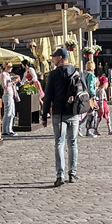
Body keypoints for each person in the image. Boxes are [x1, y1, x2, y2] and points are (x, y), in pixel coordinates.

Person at [42, 48, 84, 187]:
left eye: (54, 57)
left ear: (60, 58)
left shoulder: (53, 75)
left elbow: (47, 97)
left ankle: (60, 174)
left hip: (59, 113)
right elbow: (86, 92)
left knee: (59, 143)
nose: (53, 59)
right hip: (73, 112)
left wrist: (44, 115)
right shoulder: (77, 72)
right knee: (73, 143)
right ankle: (72, 173)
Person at [0, 67, 19, 137]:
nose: (11, 68)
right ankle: (5, 130)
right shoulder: (3, 74)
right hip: (7, 94)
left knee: (12, 113)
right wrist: (13, 82)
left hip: (11, 95)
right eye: (10, 67)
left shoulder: (8, 75)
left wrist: (14, 79)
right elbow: (4, 86)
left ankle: (9, 129)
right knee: (8, 113)